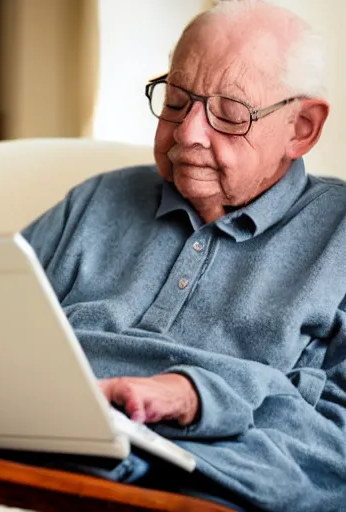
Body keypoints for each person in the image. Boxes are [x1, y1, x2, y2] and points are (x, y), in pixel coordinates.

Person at [22, 1, 346, 511]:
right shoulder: (93, 201)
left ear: (301, 128)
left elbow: (333, 449)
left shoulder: (339, 237)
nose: (189, 133)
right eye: (176, 101)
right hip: (21, 445)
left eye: (229, 114)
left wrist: (197, 400)